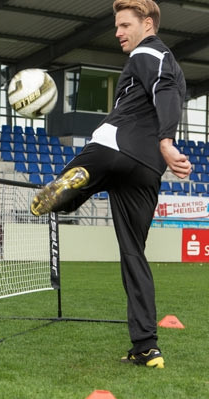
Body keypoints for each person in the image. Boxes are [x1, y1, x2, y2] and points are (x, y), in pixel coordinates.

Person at [30, 0, 191, 368]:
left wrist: (167, 139)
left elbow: (164, 89)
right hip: (146, 169)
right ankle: (147, 347)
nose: (118, 32)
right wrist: (161, 146)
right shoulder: (165, 65)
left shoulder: (150, 54)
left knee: (71, 189)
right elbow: (168, 95)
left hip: (112, 145)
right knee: (134, 254)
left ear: (147, 24)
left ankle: (72, 188)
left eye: (123, 25)